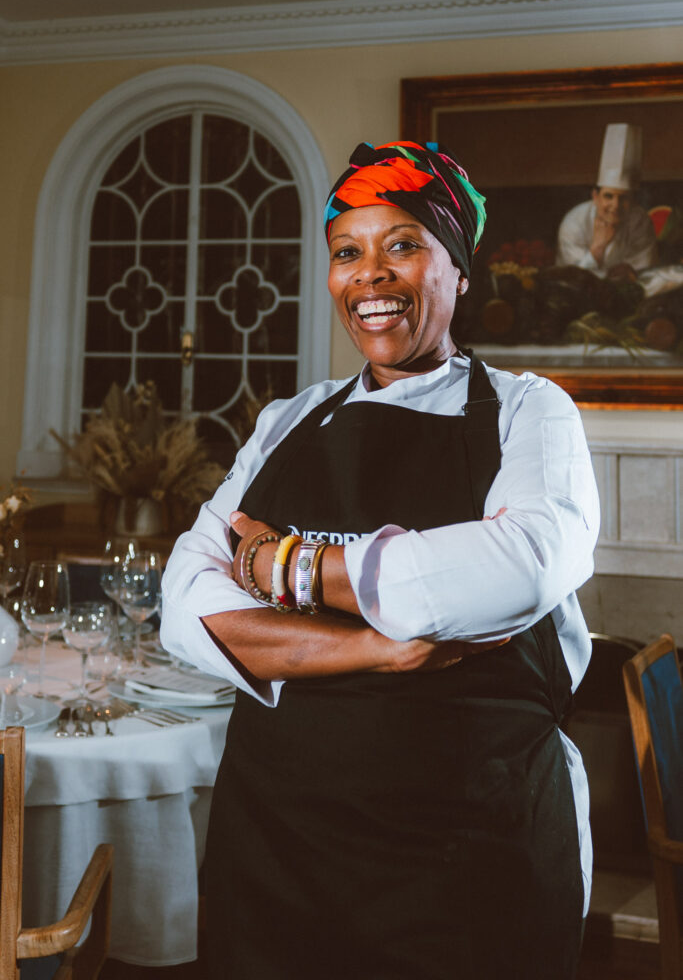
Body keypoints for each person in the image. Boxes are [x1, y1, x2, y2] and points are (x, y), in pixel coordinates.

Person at [161, 140, 600, 980]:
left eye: (401, 245)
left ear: (457, 270)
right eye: (346, 253)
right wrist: (378, 647)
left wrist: (283, 569)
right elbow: (185, 607)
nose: (370, 275)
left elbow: (522, 566)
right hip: (282, 840)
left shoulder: (528, 410)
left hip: (471, 846)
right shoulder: (289, 420)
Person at [556, 122, 656, 281]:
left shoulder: (641, 221)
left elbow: (642, 274)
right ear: (595, 197)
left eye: (624, 198)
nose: (615, 206)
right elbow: (573, 277)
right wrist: (598, 248)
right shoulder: (573, 222)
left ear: (633, 199)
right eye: (608, 196)